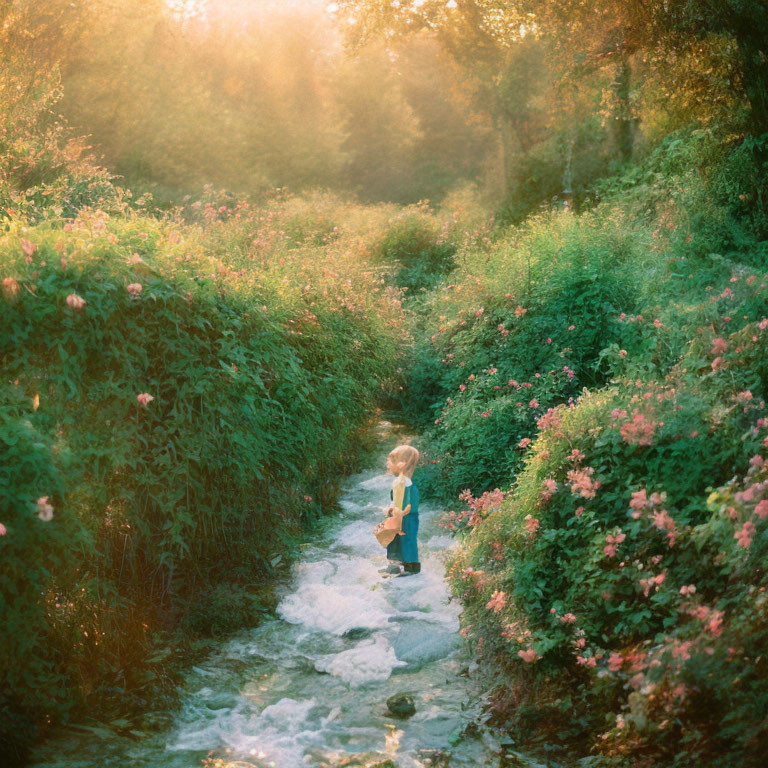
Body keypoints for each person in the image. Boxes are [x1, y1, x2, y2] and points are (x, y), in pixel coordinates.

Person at [379, 444, 421, 577]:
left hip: (402, 517)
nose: (388, 464)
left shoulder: (399, 482)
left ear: (402, 464)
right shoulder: (409, 483)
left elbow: (397, 504)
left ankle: (395, 567)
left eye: (391, 461)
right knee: (409, 540)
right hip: (412, 517)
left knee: (395, 540)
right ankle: (412, 567)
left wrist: (389, 511)